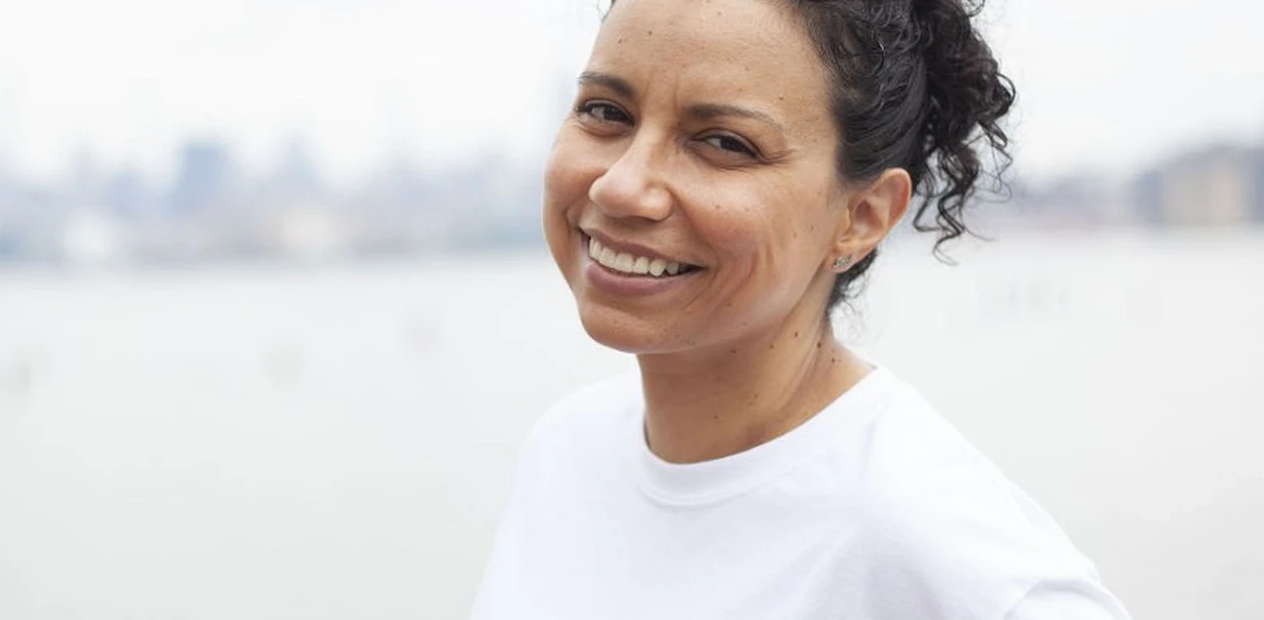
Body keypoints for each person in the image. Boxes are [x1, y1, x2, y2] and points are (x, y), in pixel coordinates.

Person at [470, 0, 1132, 617]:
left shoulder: (931, 544)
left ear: (862, 216)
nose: (621, 187)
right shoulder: (564, 452)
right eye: (606, 112)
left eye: (724, 142)